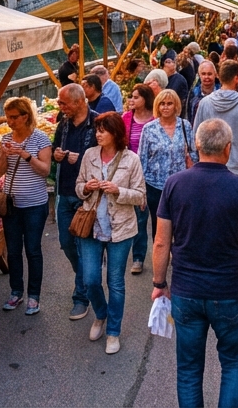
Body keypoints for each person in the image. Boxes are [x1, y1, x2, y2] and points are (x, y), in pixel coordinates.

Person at [152, 119, 238, 408]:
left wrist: (159, 283)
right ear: (228, 149)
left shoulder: (174, 184)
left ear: (197, 145)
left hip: (186, 291)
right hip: (228, 292)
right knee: (233, 363)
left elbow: (160, 242)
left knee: (189, 369)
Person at [75, 112, 147, 354]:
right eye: (96, 130)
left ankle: (113, 331)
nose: (98, 134)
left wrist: (118, 191)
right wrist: (85, 187)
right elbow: (78, 187)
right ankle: (101, 314)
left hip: (121, 229)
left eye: (103, 130)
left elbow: (140, 195)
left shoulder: (131, 159)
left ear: (116, 133)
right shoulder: (89, 155)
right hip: (91, 227)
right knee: (90, 280)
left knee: (115, 283)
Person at [0, 96, 52, 315]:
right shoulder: (6, 138)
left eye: (14, 117)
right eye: (8, 117)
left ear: (25, 116)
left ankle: (34, 296)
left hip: (35, 204)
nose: (9, 122)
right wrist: (4, 156)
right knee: (14, 250)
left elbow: (45, 170)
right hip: (12, 204)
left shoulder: (40, 139)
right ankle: (16, 292)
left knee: (33, 250)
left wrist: (25, 155)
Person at [51, 83, 97, 320]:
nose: (60, 107)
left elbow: (107, 158)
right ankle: (89, 278)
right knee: (66, 243)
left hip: (86, 198)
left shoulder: (98, 123)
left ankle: (81, 296)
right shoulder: (64, 124)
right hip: (65, 193)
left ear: (79, 102)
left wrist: (83, 160)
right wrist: (56, 155)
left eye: (63, 103)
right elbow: (54, 150)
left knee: (82, 246)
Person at [138, 89, 196, 274]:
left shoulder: (185, 126)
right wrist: (141, 190)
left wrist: (193, 167)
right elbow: (142, 160)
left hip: (181, 185)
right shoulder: (149, 129)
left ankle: (180, 256)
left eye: (169, 103)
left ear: (176, 105)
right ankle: (160, 260)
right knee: (159, 224)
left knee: (181, 222)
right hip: (155, 185)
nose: (165, 107)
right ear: (157, 106)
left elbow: (194, 152)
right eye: (162, 103)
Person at [193, 60, 238, 186]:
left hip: (208, 166)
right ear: (237, 78)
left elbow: (196, 137)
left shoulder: (204, 103)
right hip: (237, 168)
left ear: (219, 76)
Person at [124, 83, 157, 274]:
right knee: (140, 218)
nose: (132, 100)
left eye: (136, 97)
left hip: (154, 175)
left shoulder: (155, 119)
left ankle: (161, 250)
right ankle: (138, 257)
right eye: (131, 96)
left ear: (145, 98)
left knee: (160, 217)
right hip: (134, 175)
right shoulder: (127, 118)